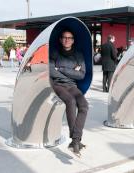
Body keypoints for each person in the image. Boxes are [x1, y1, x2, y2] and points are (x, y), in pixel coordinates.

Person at [49, 29, 88, 157]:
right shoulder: (55, 53)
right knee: (70, 101)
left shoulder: (79, 55)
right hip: (58, 85)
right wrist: (72, 71)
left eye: (69, 38)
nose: (67, 40)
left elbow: (81, 75)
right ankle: (75, 142)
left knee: (84, 105)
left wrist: (61, 69)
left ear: (73, 40)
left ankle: (75, 140)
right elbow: (50, 70)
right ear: (61, 39)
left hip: (72, 86)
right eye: (64, 37)